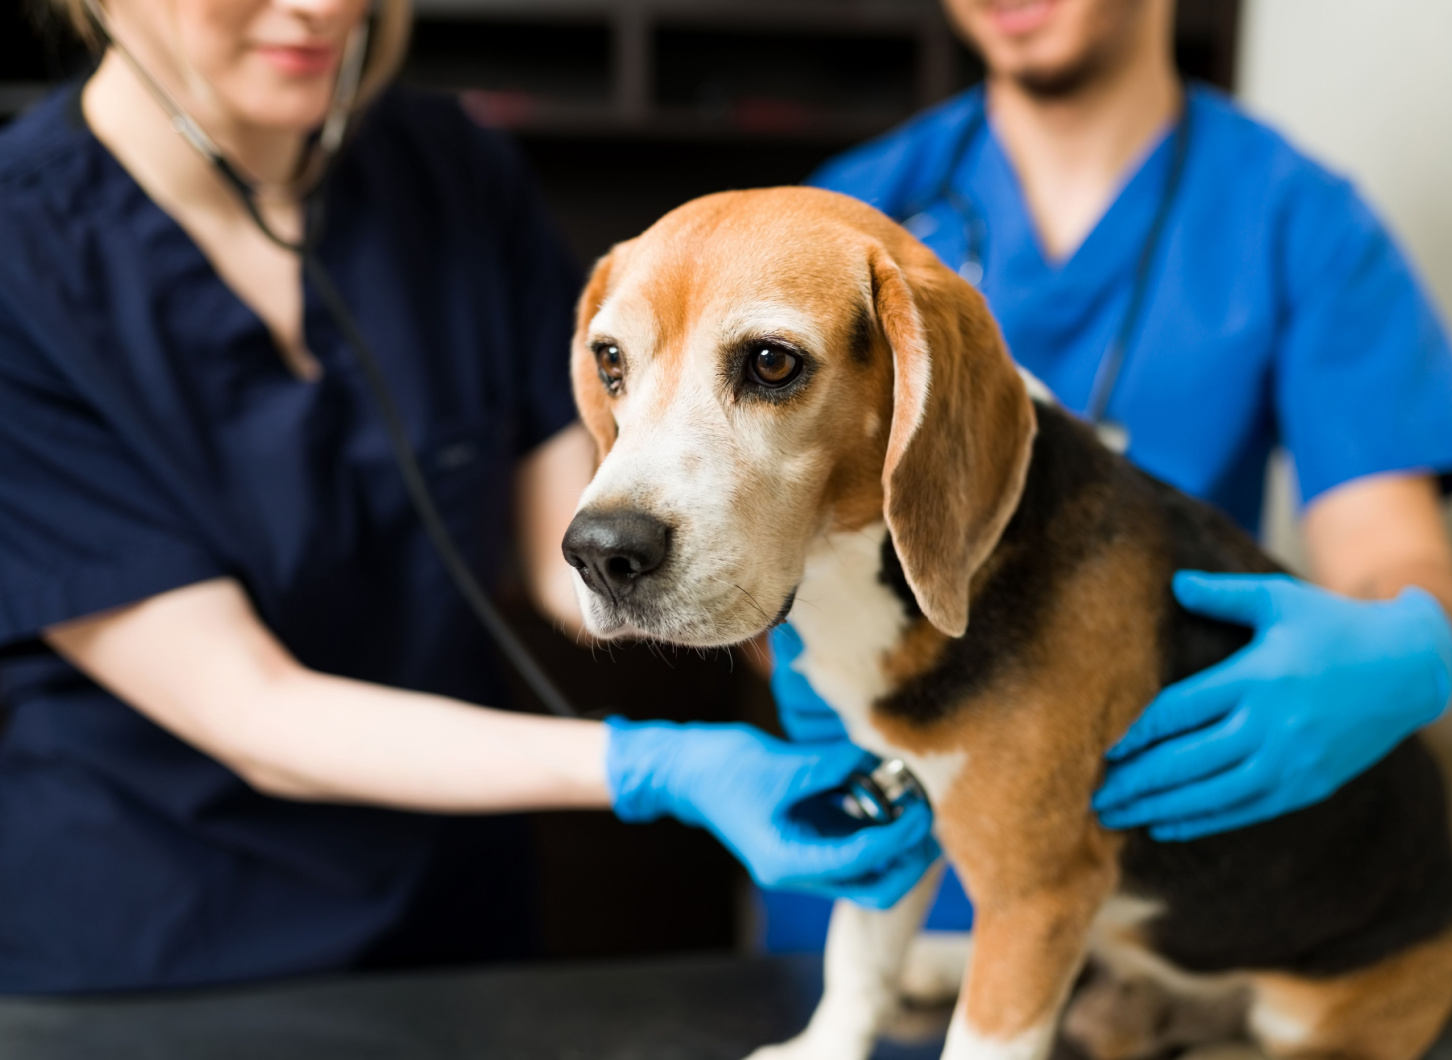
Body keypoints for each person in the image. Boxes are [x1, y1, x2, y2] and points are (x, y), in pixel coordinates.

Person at [0, 0, 937, 993]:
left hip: (456, 923)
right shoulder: (21, 261)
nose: (322, 8)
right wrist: (659, 765)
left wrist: (826, 609)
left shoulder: (444, 169)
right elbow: (251, 710)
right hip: (159, 952)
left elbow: (567, 553)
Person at [762, 0, 1452, 945]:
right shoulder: (843, 220)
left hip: (1136, 878)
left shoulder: (1295, 220)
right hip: (878, 867)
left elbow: (1385, 547)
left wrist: (1406, 647)